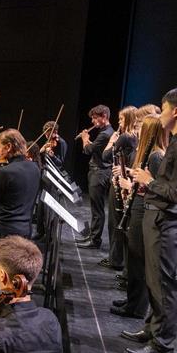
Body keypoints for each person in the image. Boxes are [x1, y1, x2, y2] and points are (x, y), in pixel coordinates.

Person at [122, 85, 177, 353]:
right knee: (154, 280)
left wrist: (149, 181)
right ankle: (151, 329)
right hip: (161, 218)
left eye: (165, 108)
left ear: (176, 112)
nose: (161, 114)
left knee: (163, 285)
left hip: (167, 222)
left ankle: (162, 345)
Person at [111, 114, 167, 318]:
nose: (136, 131)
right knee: (133, 260)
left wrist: (130, 185)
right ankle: (132, 300)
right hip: (139, 208)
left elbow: (154, 187)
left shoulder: (155, 156)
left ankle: (136, 307)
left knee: (137, 260)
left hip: (143, 209)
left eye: (140, 127)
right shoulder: (151, 154)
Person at [99, 106, 139, 271]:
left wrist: (111, 141)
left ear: (128, 120)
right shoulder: (135, 138)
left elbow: (105, 156)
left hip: (121, 182)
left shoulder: (124, 137)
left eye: (122, 119)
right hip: (126, 180)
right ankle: (117, 258)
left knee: (115, 221)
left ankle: (115, 259)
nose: (119, 122)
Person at [76, 105, 115, 249]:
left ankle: (95, 240)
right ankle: (93, 235)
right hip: (97, 171)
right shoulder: (105, 132)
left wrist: (85, 138)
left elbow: (88, 150)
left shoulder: (106, 133)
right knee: (94, 207)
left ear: (104, 116)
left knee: (97, 209)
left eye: (95, 117)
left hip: (100, 173)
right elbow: (96, 149)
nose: (93, 121)